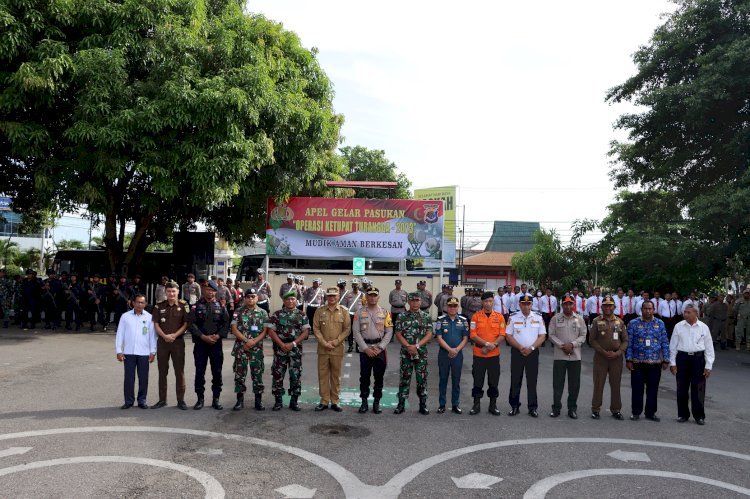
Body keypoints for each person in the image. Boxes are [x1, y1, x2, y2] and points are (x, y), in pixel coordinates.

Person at [670, 304, 715, 425]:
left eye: (688, 312)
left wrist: (708, 365)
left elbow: (709, 348)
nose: (685, 314)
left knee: (698, 388)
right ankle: (682, 414)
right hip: (682, 358)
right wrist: (673, 363)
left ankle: (699, 415)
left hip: (698, 359)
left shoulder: (703, 327)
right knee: (681, 388)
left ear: (696, 313)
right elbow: (673, 346)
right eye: (684, 312)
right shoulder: (678, 326)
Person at [349, 287, 393, 413]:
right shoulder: (359, 312)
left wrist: (380, 347)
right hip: (365, 350)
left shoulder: (385, 312)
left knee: (379, 377)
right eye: (370, 295)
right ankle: (364, 402)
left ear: (378, 297)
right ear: (366, 297)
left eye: (375, 295)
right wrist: (365, 348)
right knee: (364, 377)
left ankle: (376, 402)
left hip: (380, 349)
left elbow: (389, 332)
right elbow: (356, 332)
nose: (372, 298)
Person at [189, 280, 230, 410]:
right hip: (201, 344)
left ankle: (216, 399)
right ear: (203, 290)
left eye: (212, 290)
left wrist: (218, 336)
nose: (209, 292)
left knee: (216, 372)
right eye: (207, 289)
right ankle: (200, 399)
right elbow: (191, 324)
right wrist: (202, 336)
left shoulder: (221, 306)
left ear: (215, 291)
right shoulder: (196, 306)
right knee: (200, 372)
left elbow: (226, 324)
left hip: (216, 344)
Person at [266, 291, 310, 411]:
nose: (290, 301)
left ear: (296, 301)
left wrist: (293, 343)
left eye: (292, 299)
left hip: (295, 351)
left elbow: (306, 332)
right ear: (284, 301)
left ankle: (294, 401)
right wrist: (281, 344)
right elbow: (270, 331)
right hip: (280, 351)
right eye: (288, 299)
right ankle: (278, 401)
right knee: (277, 375)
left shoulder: (302, 315)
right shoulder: (277, 315)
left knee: (295, 376)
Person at [625, 300, 669, 421]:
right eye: (645, 309)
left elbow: (665, 342)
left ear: (653, 310)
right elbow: (629, 343)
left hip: (655, 362)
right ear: (641, 309)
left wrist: (666, 359)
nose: (648, 311)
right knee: (637, 388)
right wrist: (628, 359)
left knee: (653, 389)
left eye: (650, 309)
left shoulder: (660, 323)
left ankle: (650, 413)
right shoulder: (633, 323)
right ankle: (636, 412)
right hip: (637, 362)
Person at [312, 287, 353, 412]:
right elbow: (316, 328)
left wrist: (336, 341)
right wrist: (324, 343)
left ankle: (335, 400)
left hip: (337, 349)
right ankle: (324, 400)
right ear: (326, 297)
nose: (332, 298)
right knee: (323, 375)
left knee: (336, 376)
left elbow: (347, 329)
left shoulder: (344, 311)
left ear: (338, 297)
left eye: (334, 296)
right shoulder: (319, 311)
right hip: (323, 349)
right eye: (329, 296)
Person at [505, 295, 546, 417]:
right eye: (524, 303)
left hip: (532, 353)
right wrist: (520, 347)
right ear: (519, 305)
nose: (526, 306)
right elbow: (508, 335)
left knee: (532, 381)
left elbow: (542, 336)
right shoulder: (513, 317)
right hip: (517, 352)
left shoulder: (538, 317)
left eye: (529, 304)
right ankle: (514, 406)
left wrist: (531, 348)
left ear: (532, 305)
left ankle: (532, 407)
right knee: (515, 380)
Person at [151, 281, 189, 410]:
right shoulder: (158, 306)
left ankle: (181, 400)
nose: (171, 293)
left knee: (179, 372)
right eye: (169, 291)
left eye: (173, 291)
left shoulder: (184, 306)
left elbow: (185, 324)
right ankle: (162, 400)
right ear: (165, 292)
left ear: (178, 291)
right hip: (162, 343)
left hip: (177, 343)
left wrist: (174, 335)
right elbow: (156, 324)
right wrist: (165, 336)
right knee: (162, 372)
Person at [394, 292, 433, 415]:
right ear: (408, 302)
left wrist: (416, 346)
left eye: (417, 300)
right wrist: (408, 346)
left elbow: (429, 334)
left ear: (420, 302)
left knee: (422, 379)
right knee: (404, 378)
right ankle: (401, 404)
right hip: (406, 353)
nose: (415, 303)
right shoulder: (402, 316)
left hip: (421, 353)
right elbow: (398, 333)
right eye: (413, 300)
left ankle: (423, 404)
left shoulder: (426, 316)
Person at [548, 295, 587, 419]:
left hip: (575, 357)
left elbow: (583, 335)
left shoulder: (579, 319)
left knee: (574, 385)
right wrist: (562, 346)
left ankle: (572, 409)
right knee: (557, 384)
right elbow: (551, 335)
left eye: (570, 304)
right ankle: (556, 408)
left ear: (573, 305)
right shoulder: (555, 319)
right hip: (560, 356)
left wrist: (572, 345)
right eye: (565, 304)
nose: (568, 306)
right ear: (562, 305)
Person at [115, 294, 156, 409]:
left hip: (144, 353)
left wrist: (153, 352)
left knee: (143, 378)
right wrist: (119, 351)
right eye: (137, 302)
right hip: (129, 352)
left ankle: (142, 400)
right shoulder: (125, 316)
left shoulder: (149, 317)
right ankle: (128, 401)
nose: (139, 304)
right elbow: (120, 334)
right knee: (129, 378)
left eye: (142, 302)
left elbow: (153, 336)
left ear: (146, 304)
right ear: (133, 303)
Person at [589, 297, 628, 420]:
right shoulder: (596, 321)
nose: (607, 308)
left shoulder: (620, 322)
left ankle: (616, 409)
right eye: (605, 305)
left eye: (610, 305)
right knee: (599, 383)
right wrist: (603, 352)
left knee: (616, 384)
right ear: (601, 307)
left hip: (616, 358)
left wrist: (618, 353)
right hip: (601, 357)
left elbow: (625, 340)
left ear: (614, 307)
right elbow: (592, 340)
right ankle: (595, 409)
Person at [230, 288, 268, 411]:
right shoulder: (238, 312)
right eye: (248, 297)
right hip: (241, 348)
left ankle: (258, 401)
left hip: (256, 349)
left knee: (257, 375)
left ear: (257, 298)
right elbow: (234, 329)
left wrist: (253, 342)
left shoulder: (263, 313)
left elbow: (265, 331)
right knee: (240, 375)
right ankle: (239, 401)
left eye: (253, 296)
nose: (251, 299)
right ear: (245, 298)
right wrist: (246, 341)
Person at [468, 292, 505, 416]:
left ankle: (493, 405)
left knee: (493, 381)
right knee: (478, 381)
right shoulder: (476, 316)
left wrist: (490, 346)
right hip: (479, 354)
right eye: (485, 301)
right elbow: (473, 334)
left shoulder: (499, 317)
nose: (488, 303)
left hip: (493, 355)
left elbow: (502, 334)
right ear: (482, 302)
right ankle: (476, 404)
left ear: (493, 301)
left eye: (490, 301)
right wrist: (485, 345)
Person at [431, 296, 469, 414]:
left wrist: (456, 350)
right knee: (443, 379)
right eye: (450, 306)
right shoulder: (440, 320)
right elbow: (439, 337)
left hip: (458, 354)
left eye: (455, 306)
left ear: (458, 307)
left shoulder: (463, 320)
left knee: (456, 380)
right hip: (444, 354)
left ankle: (455, 404)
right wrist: (449, 350)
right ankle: (442, 404)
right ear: (446, 307)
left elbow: (465, 338)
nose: (452, 308)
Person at [342, 279, 364, 353]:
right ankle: (350, 346)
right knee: (350, 331)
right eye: (354, 285)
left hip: (359, 316)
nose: (355, 286)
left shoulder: (362, 295)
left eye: (356, 285)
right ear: (352, 286)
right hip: (350, 315)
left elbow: (365, 306)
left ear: (359, 286)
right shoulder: (348, 295)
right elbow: (345, 305)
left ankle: (358, 346)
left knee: (358, 331)